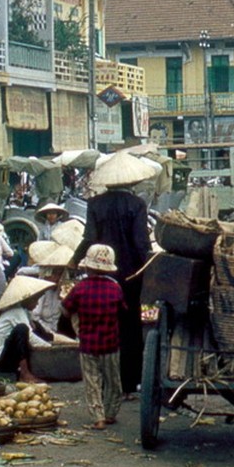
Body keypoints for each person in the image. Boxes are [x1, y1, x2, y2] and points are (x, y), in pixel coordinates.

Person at [71, 152, 153, 395]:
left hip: (100, 273)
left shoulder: (96, 204)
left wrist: (74, 261)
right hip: (130, 276)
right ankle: (130, 381)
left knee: (102, 324)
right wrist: (147, 268)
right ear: (131, 181)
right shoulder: (137, 204)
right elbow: (141, 243)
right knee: (130, 327)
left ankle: (105, 380)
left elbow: (89, 237)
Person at [62, 244, 125, 429]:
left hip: (88, 344)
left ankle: (98, 417)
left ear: (88, 267)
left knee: (92, 382)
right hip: (111, 343)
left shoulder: (80, 288)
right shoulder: (115, 288)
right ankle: (111, 413)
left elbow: (66, 309)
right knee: (113, 381)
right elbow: (122, 311)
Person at [0, 275, 56, 382]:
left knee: (35, 325)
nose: (38, 303)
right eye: (36, 299)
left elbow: (37, 332)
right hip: (1, 360)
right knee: (22, 329)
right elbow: (30, 337)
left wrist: (50, 340)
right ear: (28, 298)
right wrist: (49, 348)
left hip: (9, 354)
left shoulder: (25, 312)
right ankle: (24, 373)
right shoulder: (16, 312)